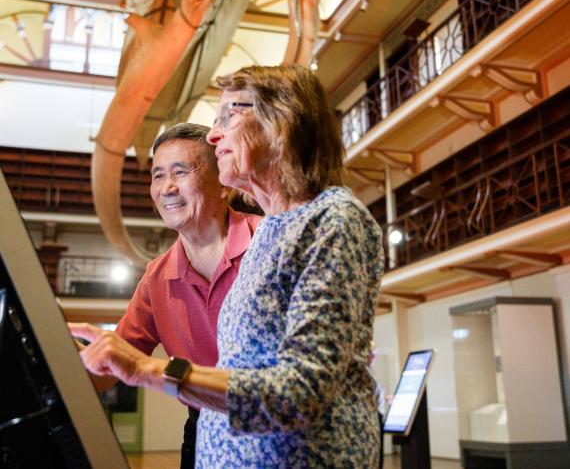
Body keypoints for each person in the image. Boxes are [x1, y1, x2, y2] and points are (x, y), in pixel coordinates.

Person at [71, 64, 384, 467]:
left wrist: (148, 369)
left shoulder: (330, 220)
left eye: (228, 117)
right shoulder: (272, 233)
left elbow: (303, 390)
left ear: (282, 123)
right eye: (158, 175)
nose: (214, 135)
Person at [74, 122, 260, 468]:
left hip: (278, 422)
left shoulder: (270, 242)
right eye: (158, 176)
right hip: (204, 427)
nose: (167, 188)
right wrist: (60, 356)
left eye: (181, 171)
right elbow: (108, 371)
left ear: (224, 182)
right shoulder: (156, 278)